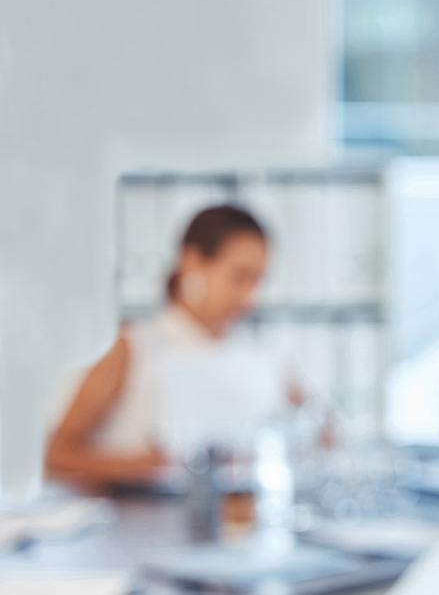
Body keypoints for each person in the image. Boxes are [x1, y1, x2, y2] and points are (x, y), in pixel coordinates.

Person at [47, 204, 291, 490]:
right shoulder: (132, 345)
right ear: (191, 261)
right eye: (239, 277)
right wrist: (139, 467)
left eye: (259, 279)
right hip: (145, 526)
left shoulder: (263, 355)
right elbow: (57, 454)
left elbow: (320, 431)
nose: (251, 296)